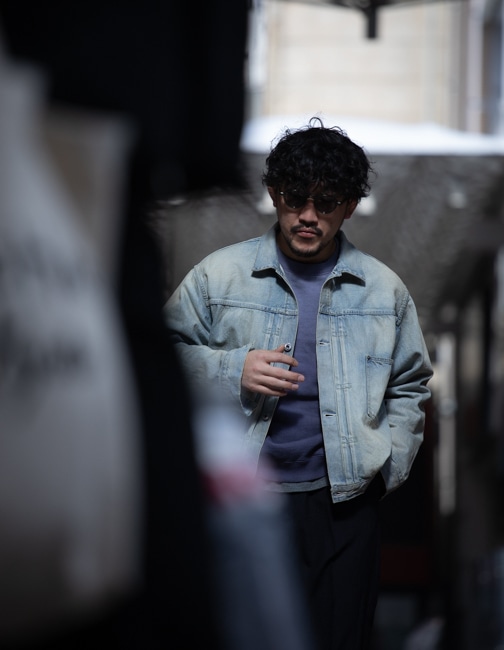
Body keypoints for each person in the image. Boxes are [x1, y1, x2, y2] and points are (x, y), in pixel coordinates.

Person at [163, 117, 434, 650]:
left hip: (345, 507)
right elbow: (159, 358)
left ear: (349, 206)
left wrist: (386, 468)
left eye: (326, 202)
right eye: (294, 199)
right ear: (273, 194)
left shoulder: (383, 290)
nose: (308, 216)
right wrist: (231, 369)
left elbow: (411, 385)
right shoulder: (219, 276)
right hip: (241, 500)